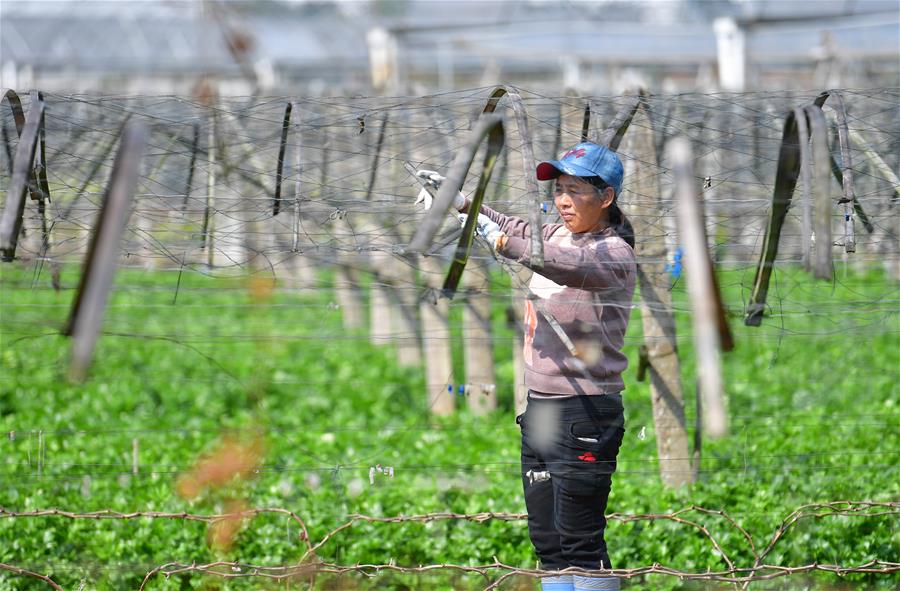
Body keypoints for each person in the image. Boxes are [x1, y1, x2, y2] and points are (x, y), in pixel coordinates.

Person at [416, 142, 636, 591]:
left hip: (585, 412)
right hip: (540, 408)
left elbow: (567, 266)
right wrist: (461, 201)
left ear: (607, 197)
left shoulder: (613, 253)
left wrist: (500, 242)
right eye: (559, 190)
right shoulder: (555, 232)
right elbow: (518, 227)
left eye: (575, 191)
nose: (563, 200)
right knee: (548, 541)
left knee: (580, 541)